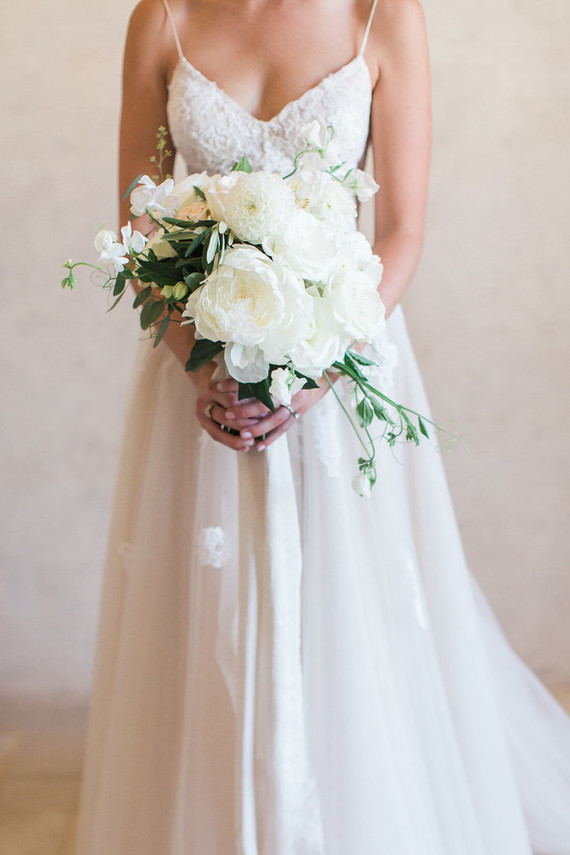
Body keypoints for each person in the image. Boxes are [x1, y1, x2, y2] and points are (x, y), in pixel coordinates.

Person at [75, 1, 570, 853]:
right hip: (199, 377)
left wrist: (311, 370)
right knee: (207, 624)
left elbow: (404, 229)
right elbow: (138, 222)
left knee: (351, 623)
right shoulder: (161, 18)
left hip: (342, 372)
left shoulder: (383, 16)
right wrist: (205, 364)